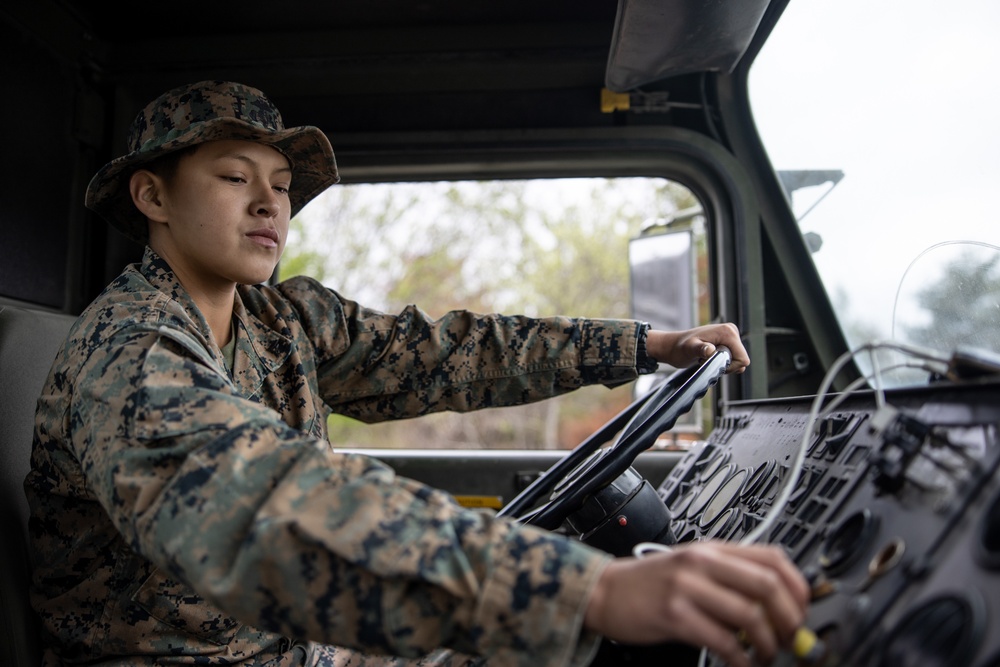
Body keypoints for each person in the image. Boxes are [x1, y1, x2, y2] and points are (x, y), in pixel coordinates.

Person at [25, 80, 808, 667]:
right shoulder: (128, 351)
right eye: (235, 177)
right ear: (152, 194)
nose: (270, 203)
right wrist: (590, 591)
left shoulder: (280, 319)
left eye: (282, 186)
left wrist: (643, 346)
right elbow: (258, 505)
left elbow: (447, 354)